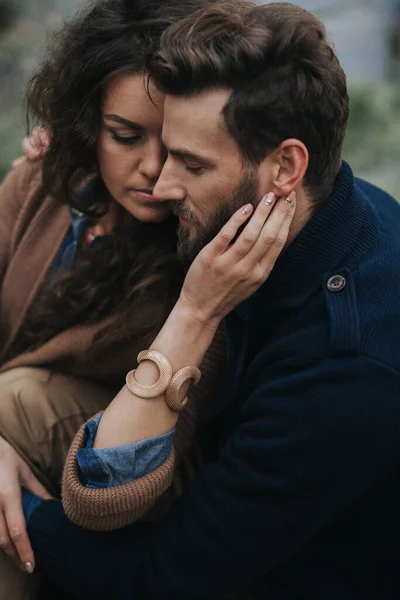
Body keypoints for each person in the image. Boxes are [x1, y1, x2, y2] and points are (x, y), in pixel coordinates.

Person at [19, 1, 400, 599]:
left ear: (286, 167)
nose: (162, 183)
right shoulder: (318, 204)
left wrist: (20, 510)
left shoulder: (346, 362)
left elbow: (163, 579)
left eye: (191, 164)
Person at [0, 0, 245, 597]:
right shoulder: (44, 181)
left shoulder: (208, 252)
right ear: (88, 122)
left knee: (18, 398)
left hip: (122, 473)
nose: (154, 170)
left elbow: (126, 486)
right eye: (125, 136)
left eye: (179, 146)